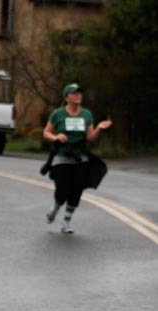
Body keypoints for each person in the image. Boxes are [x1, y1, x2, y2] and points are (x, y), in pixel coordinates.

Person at [43, 83, 112, 233]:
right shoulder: (58, 114)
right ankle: (55, 208)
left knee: (76, 191)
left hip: (80, 158)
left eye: (80, 93)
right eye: (74, 93)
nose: (78, 95)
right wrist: (56, 136)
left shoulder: (86, 114)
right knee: (62, 190)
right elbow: (46, 132)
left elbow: (90, 138)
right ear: (67, 97)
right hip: (61, 157)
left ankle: (66, 222)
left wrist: (99, 128)